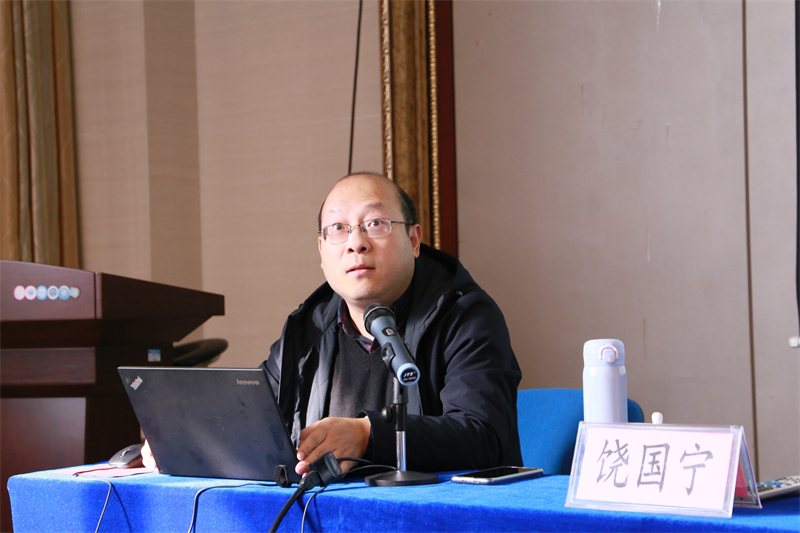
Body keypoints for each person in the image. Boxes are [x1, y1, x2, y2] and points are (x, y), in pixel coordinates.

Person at [143, 172, 522, 476]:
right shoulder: (308, 327)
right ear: (322, 251)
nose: (356, 243)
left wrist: (368, 435)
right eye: (338, 229)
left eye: (375, 223)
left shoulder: (465, 314)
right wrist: (184, 440)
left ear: (414, 239)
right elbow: (256, 420)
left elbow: (484, 435)